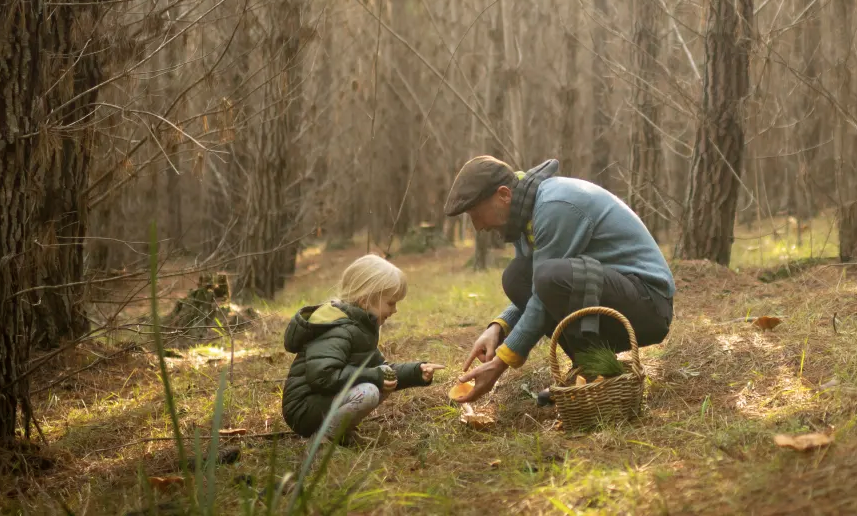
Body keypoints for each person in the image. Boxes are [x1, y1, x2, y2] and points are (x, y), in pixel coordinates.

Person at [446, 156, 674, 403]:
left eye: (476, 214)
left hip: (648, 303)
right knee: (516, 276)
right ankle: (591, 371)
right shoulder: (524, 218)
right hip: (612, 293)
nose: (478, 226)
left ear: (504, 195)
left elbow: (545, 290)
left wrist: (500, 363)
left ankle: (596, 373)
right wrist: (499, 327)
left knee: (549, 276)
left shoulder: (556, 206)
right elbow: (535, 288)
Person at [281, 254, 444, 442]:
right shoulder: (339, 328)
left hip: (323, 401)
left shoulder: (360, 329)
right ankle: (324, 439)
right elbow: (323, 375)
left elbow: (382, 369)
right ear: (366, 300)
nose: (395, 310)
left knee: (380, 376)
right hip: (303, 408)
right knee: (369, 391)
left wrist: (416, 371)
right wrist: (375, 376)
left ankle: (340, 432)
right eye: (391, 303)